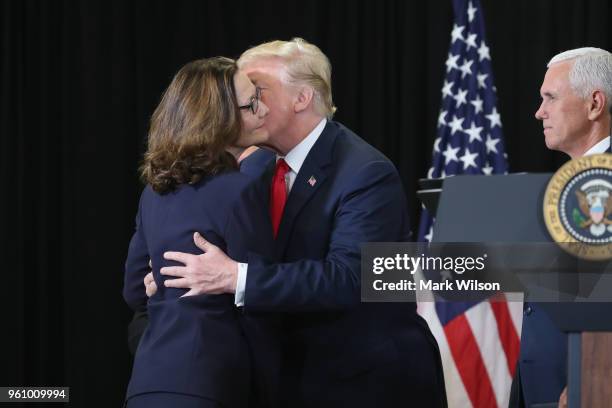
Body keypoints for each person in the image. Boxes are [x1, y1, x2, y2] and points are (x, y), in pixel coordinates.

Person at [157, 38, 446, 407]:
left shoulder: (365, 171)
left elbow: (352, 278)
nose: (243, 104)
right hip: (286, 381)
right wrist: (169, 270)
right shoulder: (252, 167)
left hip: (363, 384)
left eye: (256, 90)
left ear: (302, 98)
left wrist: (236, 277)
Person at [123, 57, 277, 408]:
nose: (264, 110)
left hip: (147, 383)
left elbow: (134, 290)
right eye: (252, 103)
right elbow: (258, 303)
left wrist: (159, 284)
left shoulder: (154, 192)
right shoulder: (239, 190)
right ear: (219, 119)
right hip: (210, 384)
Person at [510, 47, 611, 408]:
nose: (539, 112)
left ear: (594, 103)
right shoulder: (564, 185)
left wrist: (599, 377)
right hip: (538, 386)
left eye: (550, 98)